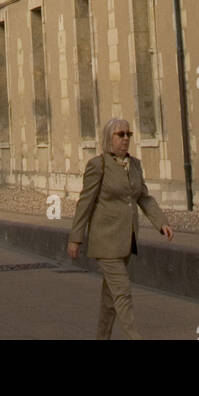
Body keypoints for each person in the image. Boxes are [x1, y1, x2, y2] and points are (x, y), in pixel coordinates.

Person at [67, 117, 174, 340]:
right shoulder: (98, 165)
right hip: (105, 241)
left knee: (110, 300)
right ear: (109, 138)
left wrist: (161, 222)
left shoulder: (135, 165)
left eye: (128, 134)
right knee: (122, 292)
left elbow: (143, 197)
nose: (126, 139)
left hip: (126, 241)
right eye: (120, 134)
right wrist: (75, 238)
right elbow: (85, 202)